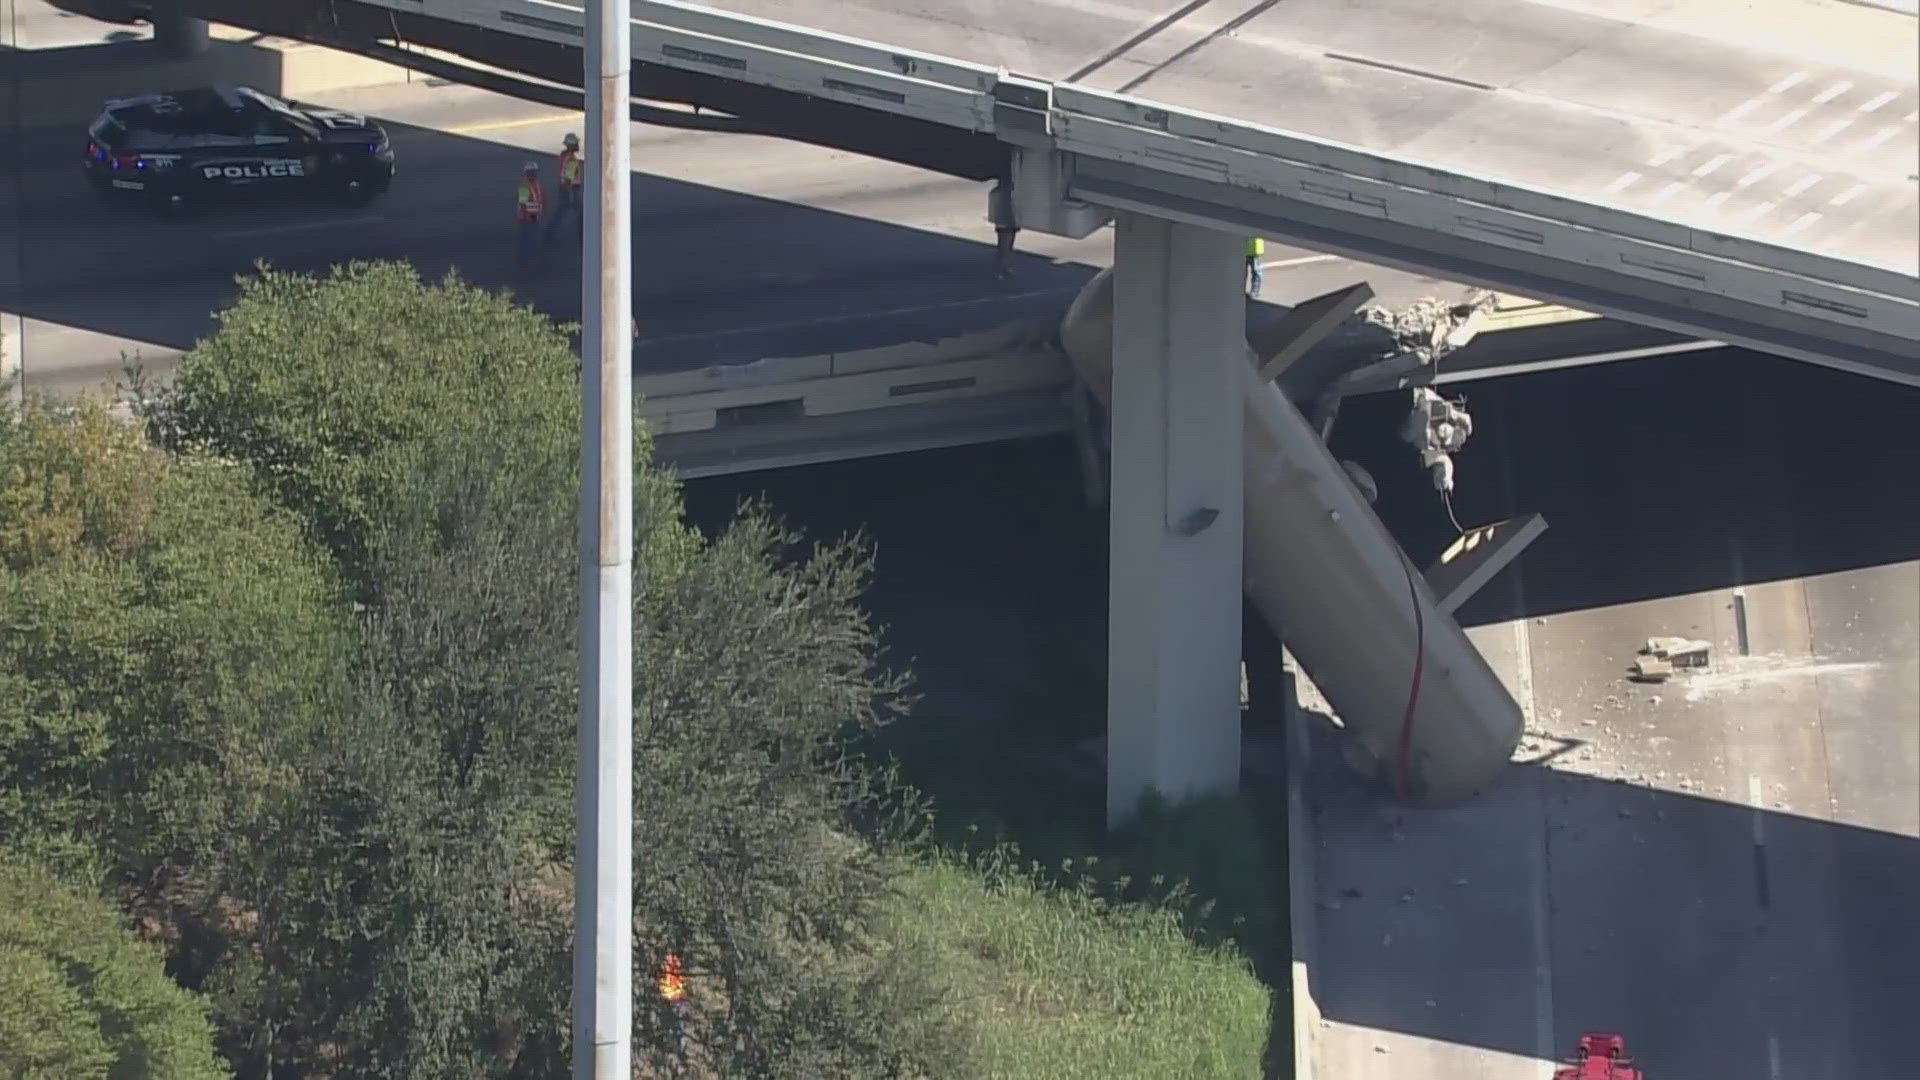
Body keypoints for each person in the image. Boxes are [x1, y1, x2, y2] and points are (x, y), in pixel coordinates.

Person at [549, 133, 584, 245]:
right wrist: (570, 194)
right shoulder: (571, 160)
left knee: (561, 212)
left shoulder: (564, 155)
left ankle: (549, 234)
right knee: (579, 214)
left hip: (566, 188)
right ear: (572, 145)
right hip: (571, 189)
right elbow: (569, 178)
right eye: (576, 144)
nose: (578, 145)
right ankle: (583, 237)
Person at [515, 161, 545, 268]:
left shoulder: (536, 183)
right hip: (527, 218)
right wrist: (527, 217)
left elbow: (540, 197)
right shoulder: (524, 186)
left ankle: (529, 259)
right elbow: (523, 203)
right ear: (527, 173)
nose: (534, 174)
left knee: (531, 238)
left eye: (535, 172)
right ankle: (523, 260)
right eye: (532, 172)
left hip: (534, 216)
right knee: (527, 239)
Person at [989, 177, 1017, 281]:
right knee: (1004, 247)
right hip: (1005, 223)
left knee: (1007, 247)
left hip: (1009, 222)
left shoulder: (1009, 194)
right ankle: (1000, 269)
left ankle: (1005, 267)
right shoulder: (1003, 195)